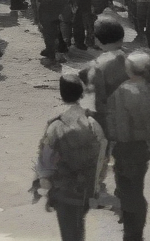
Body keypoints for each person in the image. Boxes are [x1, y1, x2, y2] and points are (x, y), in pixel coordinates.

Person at [33, 72, 106, 241]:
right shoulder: (92, 122)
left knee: (69, 233)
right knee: (78, 228)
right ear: (81, 94)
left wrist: (45, 186)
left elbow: (45, 162)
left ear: (61, 94)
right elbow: (101, 156)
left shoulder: (56, 125)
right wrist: (96, 186)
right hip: (86, 189)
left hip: (64, 190)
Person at [107, 51, 150, 241]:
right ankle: (134, 230)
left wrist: (113, 143)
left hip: (126, 148)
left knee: (129, 192)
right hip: (143, 148)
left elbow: (118, 123)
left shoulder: (122, 91)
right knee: (136, 189)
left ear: (128, 69)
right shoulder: (148, 90)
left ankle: (132, 234)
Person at [78, 17, 128, 138]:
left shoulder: (99, 65)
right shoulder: (127, 58)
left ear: (97, 39)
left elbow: (98, 99)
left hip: (108, 118)